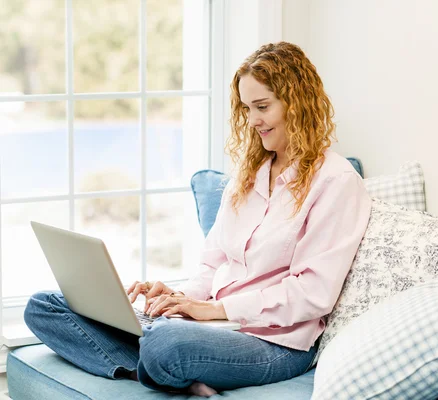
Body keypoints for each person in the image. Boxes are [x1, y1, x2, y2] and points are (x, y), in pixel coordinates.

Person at [24, 41, 372, 397]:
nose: (252, 121)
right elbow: (213, 261)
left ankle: (161, 360)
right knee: (43, 306)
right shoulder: (249, 175)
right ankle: (155, 372)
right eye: (247, 108)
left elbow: (312, 294)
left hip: (275, 342)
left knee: (166, 344)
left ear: (297, 101)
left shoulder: (336, 181)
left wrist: (213, 310)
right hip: (213, 326)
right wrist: (178, 299)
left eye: (262, 107)